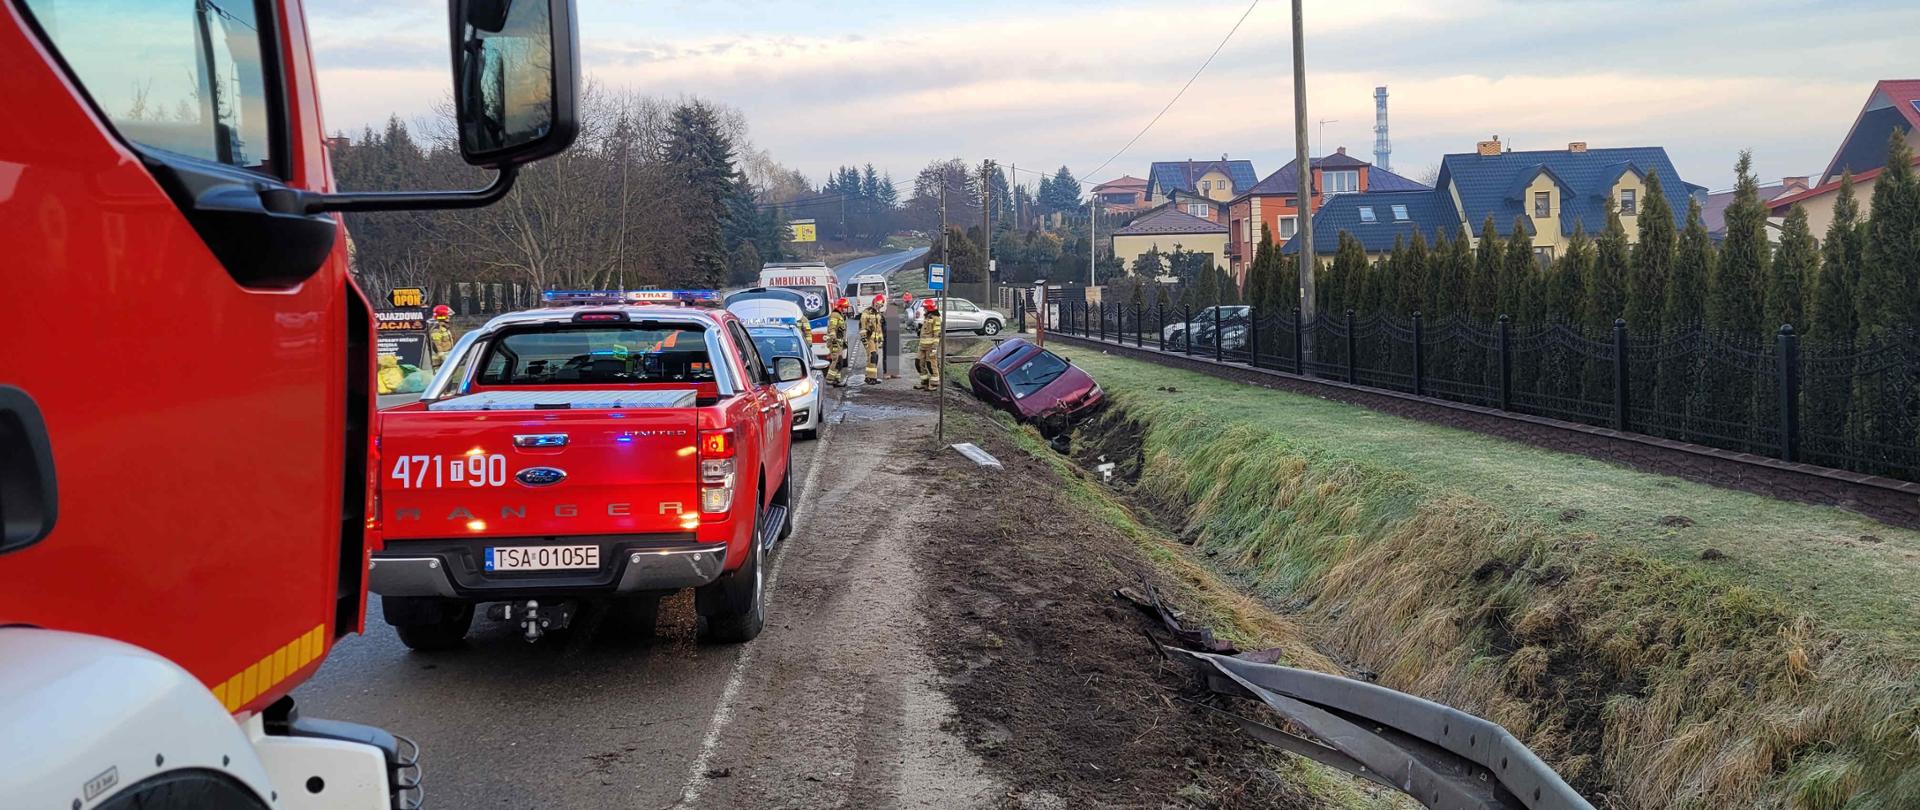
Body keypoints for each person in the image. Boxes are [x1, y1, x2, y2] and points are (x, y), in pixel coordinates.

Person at [914, 298, 943, 390]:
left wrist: (934, 348)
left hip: (930, 347)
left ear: (929, 308)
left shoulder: (936, 319)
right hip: (922, 346)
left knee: (931, 364)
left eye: (925, 308)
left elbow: (937, 334)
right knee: (918, 363)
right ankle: (924, 383)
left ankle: (934, 384)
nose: (924, 309)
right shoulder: (927, 317)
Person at [859, 294, 886, 385]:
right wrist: (864, 340)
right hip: (868, 338)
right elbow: (862, 327)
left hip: (875, 340)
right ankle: (871, 378)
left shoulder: (878, 314)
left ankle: (870, 377)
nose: (879, 306)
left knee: (874, 357)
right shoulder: (866, 312)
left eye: (881, 305)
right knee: (872, 356)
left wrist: (881, 339)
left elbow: (879, 328)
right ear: (874, 303)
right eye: (878, 304)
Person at [826, 297, 851, 387]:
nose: (846, 309)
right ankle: (829, 379)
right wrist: (834, 339)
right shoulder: (835, 315)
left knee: (840, 361)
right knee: (836, 360)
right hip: (835, 342)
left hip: (839, 342)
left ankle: (837, 379)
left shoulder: (840, 316)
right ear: (841, 307)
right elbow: (832, 328)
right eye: (845, 307)